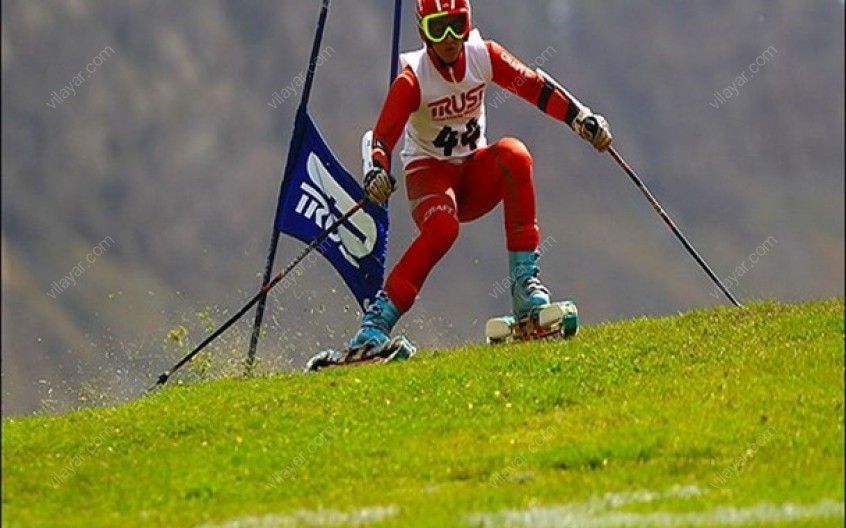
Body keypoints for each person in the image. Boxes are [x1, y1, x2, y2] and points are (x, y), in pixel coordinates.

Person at [349, 0, 612, 353]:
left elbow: (534, 86)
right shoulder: (413, 78)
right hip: (430, 175)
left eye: (457, 24)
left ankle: (525, 291)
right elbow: (381, 137)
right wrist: (376, 171)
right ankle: (375, 324)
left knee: (515, 155)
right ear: (422, 31)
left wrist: (580, 118)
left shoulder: (483, 56)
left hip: (473, 174)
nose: (449, 38)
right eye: (437, 28)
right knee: (443, 228)